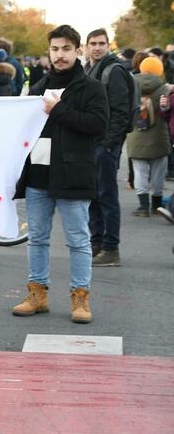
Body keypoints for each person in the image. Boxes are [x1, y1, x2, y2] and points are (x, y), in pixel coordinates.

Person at [11, 25, 106, 324]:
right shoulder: (38, 87)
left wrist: (60, 109)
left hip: (73, 175)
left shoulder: (92, 88)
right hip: (39, 174)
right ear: (49, 52)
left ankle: (81, 296)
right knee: (37, 237)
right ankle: (37, 294)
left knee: (78, 239)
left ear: (77, 50)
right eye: (55, 49)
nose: (60, 55)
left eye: (66, 49)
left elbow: (96, 126)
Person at [84, 28, 133, 266]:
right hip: (91, 143)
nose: (97, 47)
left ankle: (111, 248)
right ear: (86, 46)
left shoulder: (114, 71)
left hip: (105, 145)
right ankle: (97, 244)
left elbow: (121, 112)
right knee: (93, 195)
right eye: (93, 43)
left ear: (108, 45)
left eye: (101, 43)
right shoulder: (90, 69)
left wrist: (109, 144)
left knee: (107, 196)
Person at [128, 56, 170, 218]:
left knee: (140, 172)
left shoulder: (131, 86)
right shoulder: (165, 89)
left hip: (136, 136)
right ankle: (157, 206)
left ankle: (143, 206)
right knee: (159, 172)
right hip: (159, 137)